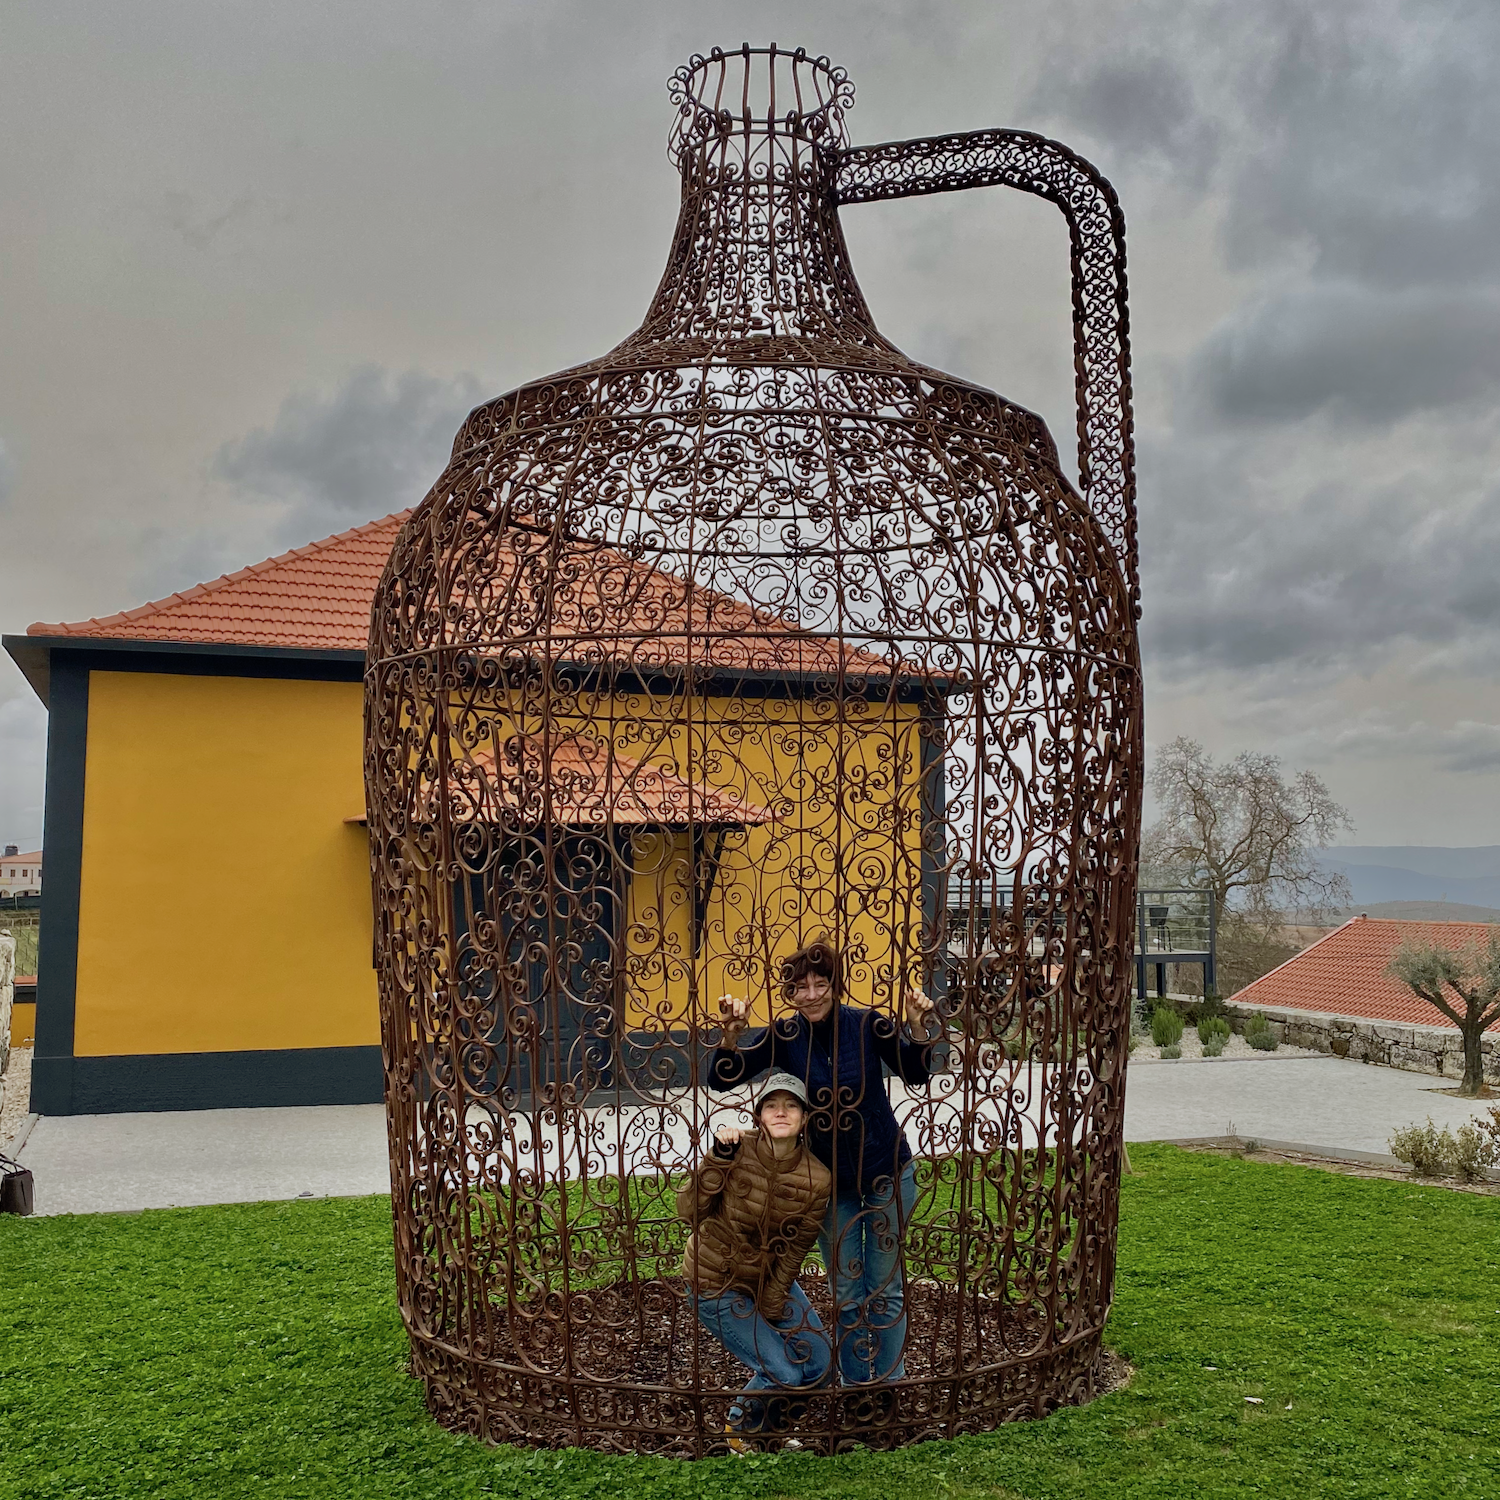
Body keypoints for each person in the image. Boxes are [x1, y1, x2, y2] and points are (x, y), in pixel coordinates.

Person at [709, 938, 941, 1386]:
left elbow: (915, 1073)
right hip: (831, 1186)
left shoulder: (867, 1025)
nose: (811, 994)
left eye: (821, 983)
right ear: (790, 993)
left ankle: (890, 1384)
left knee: (886, 1290)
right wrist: (730, 1036)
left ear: (836, 984)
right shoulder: (786, 1035)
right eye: (801, 986)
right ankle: (856, 1385)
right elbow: (723, 1078)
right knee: (849, 1294)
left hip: (887, 1173)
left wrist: (915, 1027)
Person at [678, 1070, 833, 1450]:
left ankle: (770, 1432)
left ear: (804, 1118)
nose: (781, 1112)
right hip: (714, 1280)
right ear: (759, 1116)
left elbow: (797, 1248)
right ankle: (739, 1431)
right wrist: (719, 1159)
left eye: (791, 1105)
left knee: (819, 1365)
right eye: (772, 1105)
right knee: (780, 1371)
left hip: (766, 1279)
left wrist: (772, 1304)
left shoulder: (818, 1177)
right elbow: (688, 1211)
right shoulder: (737, 1149)